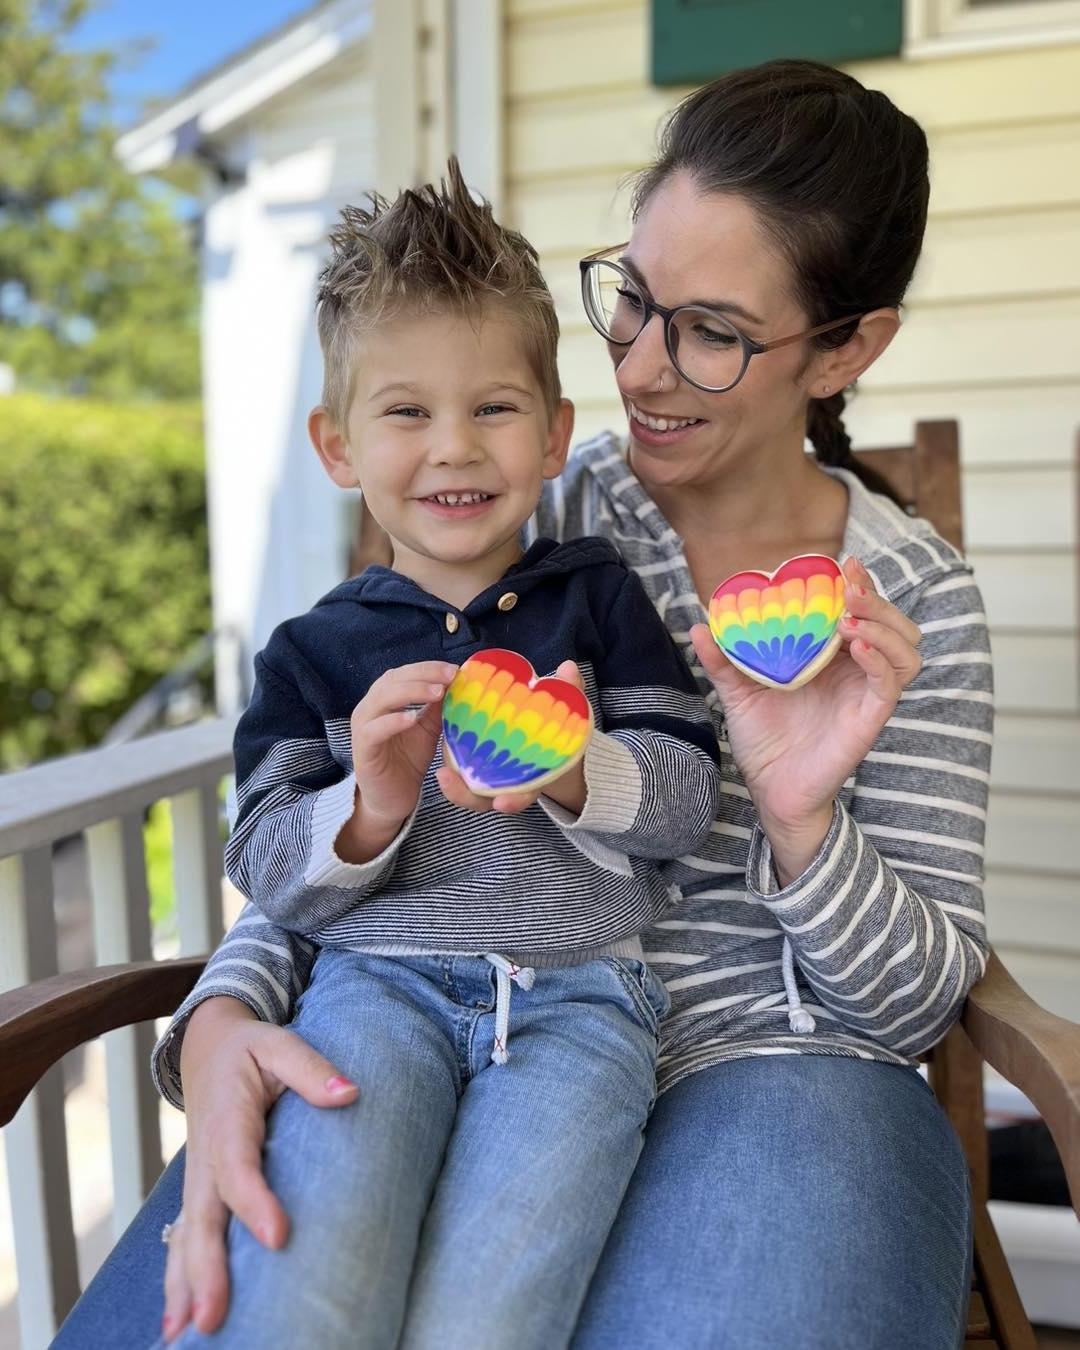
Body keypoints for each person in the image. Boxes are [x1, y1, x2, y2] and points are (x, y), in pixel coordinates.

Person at [54, 59, 991, 1350]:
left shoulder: (909, 599)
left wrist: (797, 817)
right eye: (635, 298)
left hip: (768, 1062)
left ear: (847, 347)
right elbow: (348, 785)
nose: (645, 371)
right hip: (416, 1016)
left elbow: (914, 1000)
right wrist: (223, 1011)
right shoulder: (509, 497)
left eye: (712, 330)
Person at [143, 160, 725, 1349]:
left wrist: (573, 768)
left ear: (555, 433)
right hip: (372, 994)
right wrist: (371, 805)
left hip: (579, 1007)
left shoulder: (597, 600)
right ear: (339, 444)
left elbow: (685, 804)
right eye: (406, 411)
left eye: (494, 408)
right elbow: (263, 856)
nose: (454, 448)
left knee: (490, 1314)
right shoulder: (315, 652)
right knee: (312, 1282)